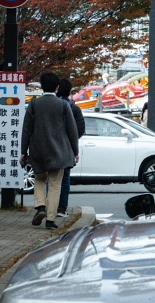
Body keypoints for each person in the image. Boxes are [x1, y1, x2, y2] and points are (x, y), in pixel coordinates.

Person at [20, 72, 80, 230]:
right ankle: (50, 219)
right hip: (59, 151)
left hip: (38, 149)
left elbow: (26, 130)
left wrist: (23, 151)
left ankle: (40, 206)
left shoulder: (34, 104)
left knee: (39, 179)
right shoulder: (63, 105)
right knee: (54, 185)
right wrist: (75, 151)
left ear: (41, 86)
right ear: (57, 87)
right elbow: (72, 130)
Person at [56, 78, 86, 218]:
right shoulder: (74, 108)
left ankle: (49, 207)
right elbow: (80, 129)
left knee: (50, 177)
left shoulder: (51, 105)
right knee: (65, 178)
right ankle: (62, 208)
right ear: (69, 91)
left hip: (50, 146)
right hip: (67, 148)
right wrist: (73, 147)